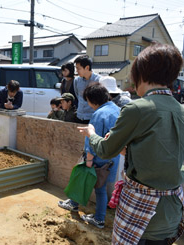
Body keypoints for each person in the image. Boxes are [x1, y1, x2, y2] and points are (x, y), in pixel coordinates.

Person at [77, 43, 184, 244]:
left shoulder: (137, 109)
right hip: (171, 210)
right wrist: (131, 153)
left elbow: (106, 150)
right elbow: (166, 153)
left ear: (140, 74)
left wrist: (91, 134)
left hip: (141, 213)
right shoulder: (180, 110)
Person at [58, 83, 120, 229]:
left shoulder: (99, 114)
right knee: (101, 187)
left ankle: (98, 218)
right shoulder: (117, 110)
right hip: (112, 158)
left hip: (97, 158)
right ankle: (76, 205)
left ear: (93, 100)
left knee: (83, 179)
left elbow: (92, 140)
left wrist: (89, 160)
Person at [99, 76, 132, 186]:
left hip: (123, 144)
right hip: (120, 144)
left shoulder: (122, 103)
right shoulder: (119, 101)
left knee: (120, 177)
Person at [73, 55, 101, 124]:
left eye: (78, 68)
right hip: (80, 116)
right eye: (76, 68)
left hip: (93, 117)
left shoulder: (98, 80)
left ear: (87, 68)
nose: (76, 71)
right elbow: (78, 95)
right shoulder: (77, 80)